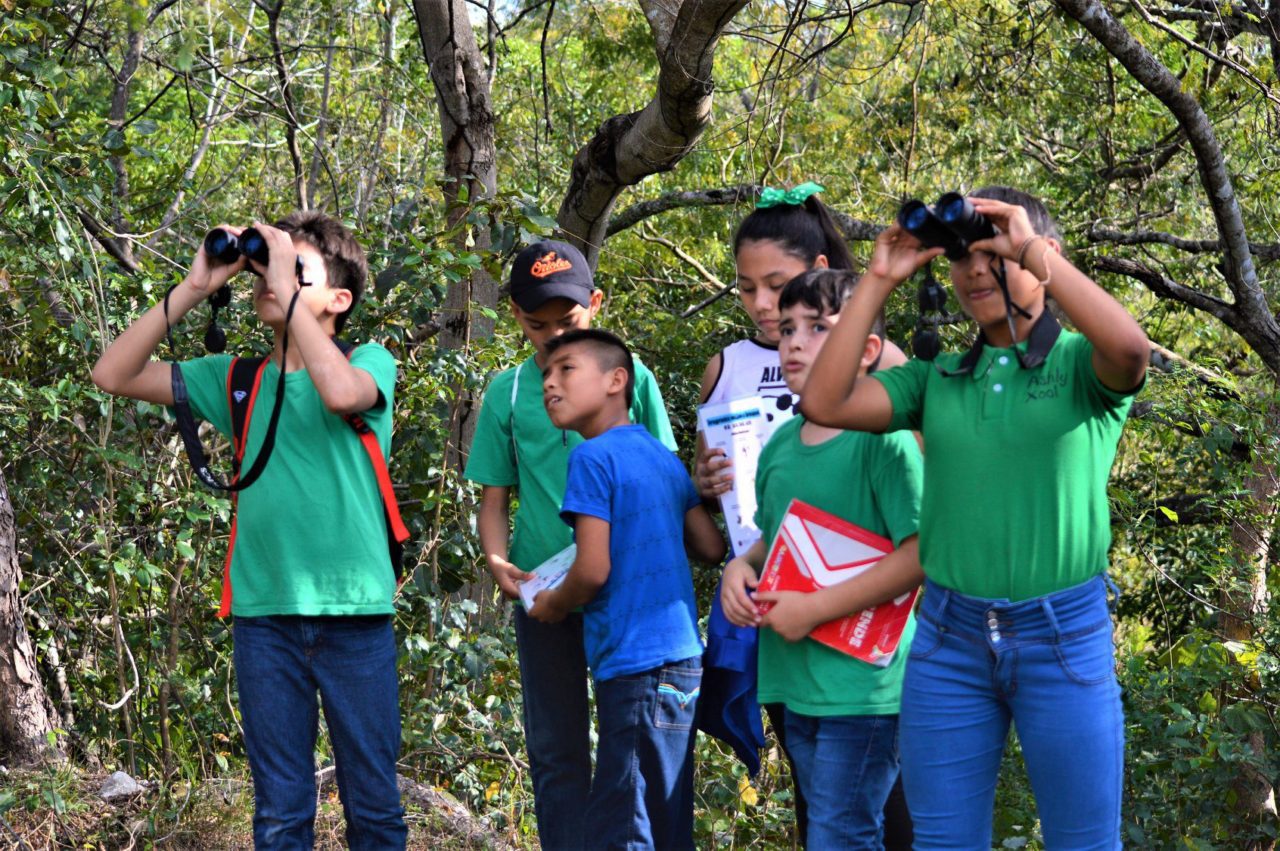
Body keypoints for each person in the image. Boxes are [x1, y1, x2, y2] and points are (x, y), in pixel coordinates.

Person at [801, 186, 1149, 848]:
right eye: (964, 256)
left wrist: (1030, 250)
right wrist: (876, 280)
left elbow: (1131, 351)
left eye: (997, 254)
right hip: (949, 640)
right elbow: (823, 399)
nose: (977, 270)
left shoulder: (1079, 365)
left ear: (1044, 256)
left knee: (1084, 840)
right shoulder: (937, 378)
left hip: (1063, 639)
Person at [91, 213, 408, 849]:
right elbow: (113, 373)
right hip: (265, 618)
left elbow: (343, 393)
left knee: (373, 809)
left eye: (296, 270)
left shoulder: (367, 360)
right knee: (281, 814)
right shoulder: (238, 380)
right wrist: (193, 288)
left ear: (338, 301)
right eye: (270, 265)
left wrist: (286, 293)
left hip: (355, 614)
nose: (272, 279)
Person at [694, 183, 912, 847]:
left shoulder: (888, 395)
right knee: (826, 823)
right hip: (789, 655)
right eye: (749, 291)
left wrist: (818, 606)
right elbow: (748, 532)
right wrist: (728, 545)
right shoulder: (760, 409)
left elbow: (922, 533)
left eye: (780, 289)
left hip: (869, 665)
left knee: (858, 825)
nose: (768, 313)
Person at [462, 241, 677, 850]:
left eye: (570, 321)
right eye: (538, 325)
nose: (554, 336)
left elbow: (661, 476)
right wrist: (499, 562)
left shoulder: (630, 380)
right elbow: (496, 500)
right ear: (516, 319)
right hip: (543, 594)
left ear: (596, 304)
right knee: (556, 753)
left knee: (627, 750)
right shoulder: (507, 392)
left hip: (622, 594)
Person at [528, 328, 726, 850]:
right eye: (546, 374)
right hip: (684, 660)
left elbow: (593, 570)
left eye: (566, 368)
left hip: (634, 664)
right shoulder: (661, 456)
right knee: (665, 816)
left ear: (617, 380)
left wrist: (551, 603)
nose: (550, 382)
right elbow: (709, 546)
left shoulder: (591, 459)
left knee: (624, 824)